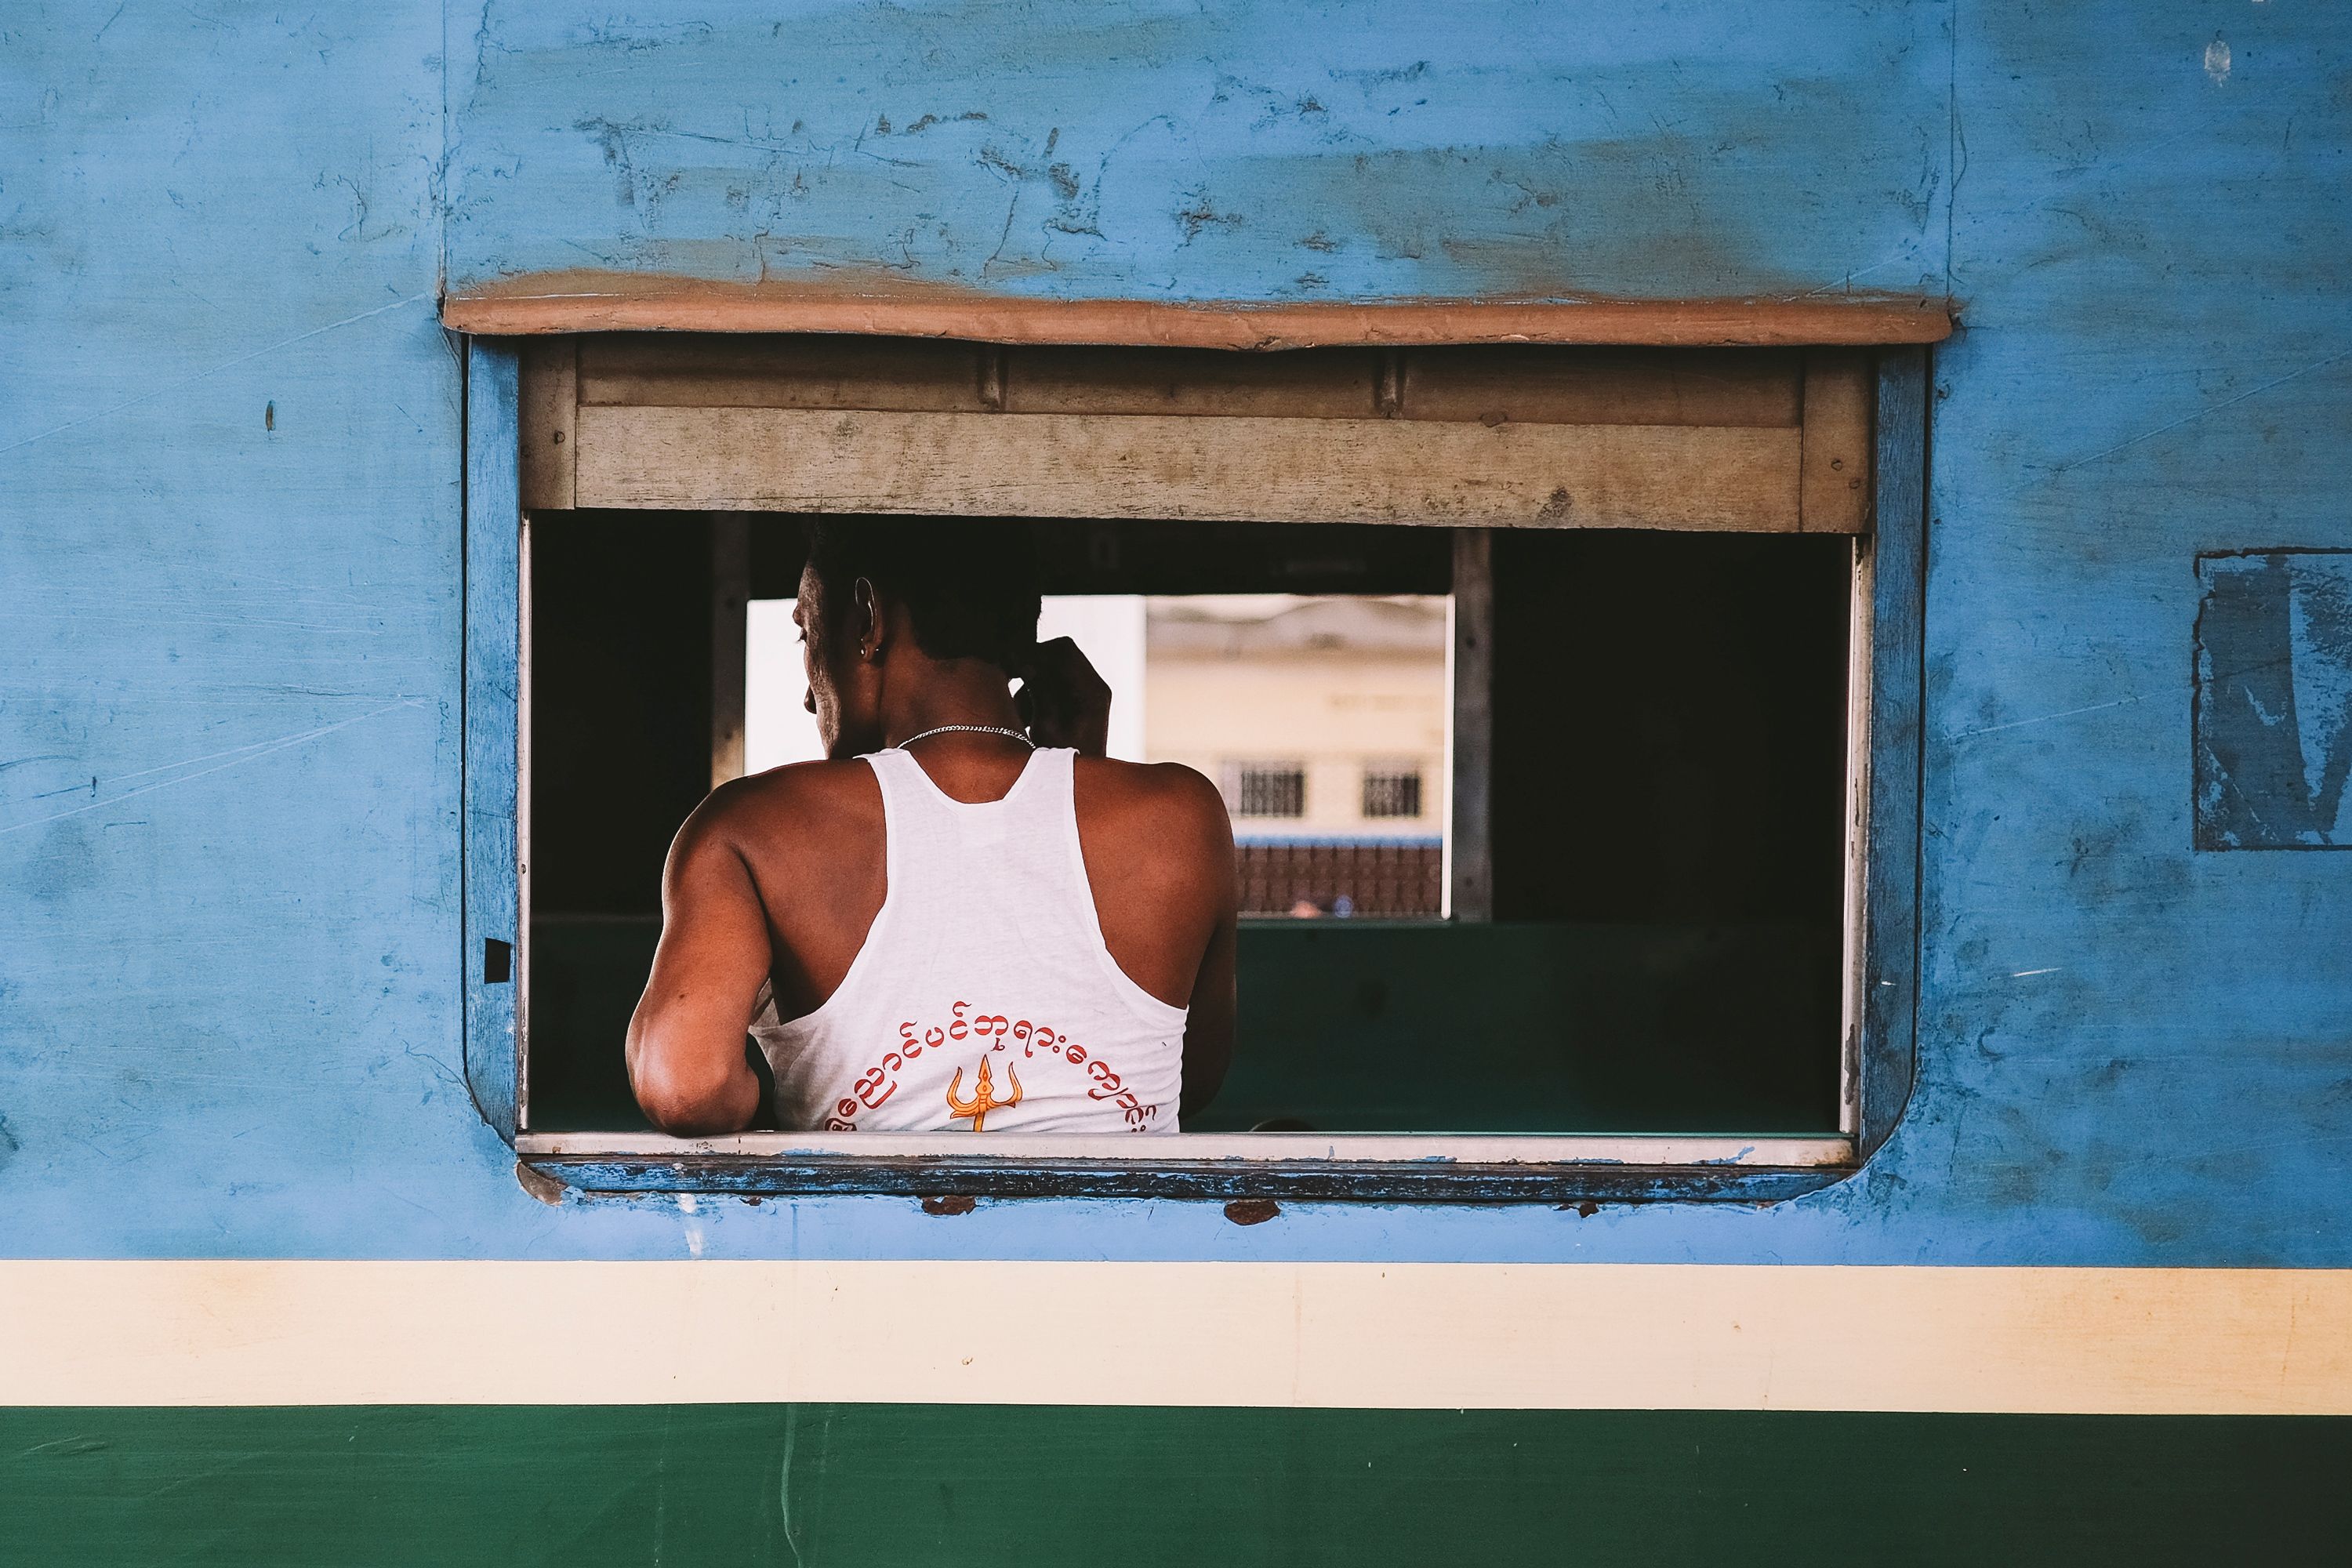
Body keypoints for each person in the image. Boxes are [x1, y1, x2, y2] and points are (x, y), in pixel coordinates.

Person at [625, 517, 1237, 1137]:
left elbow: (684, 1087)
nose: (809, 697)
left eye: (807, 634)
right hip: (1130, 1234)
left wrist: (792, 1116)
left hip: (870, 1236)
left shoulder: (749, 829)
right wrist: (1087, 775)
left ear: (867, 617)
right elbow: (1191, 1076)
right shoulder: (1184, 816)